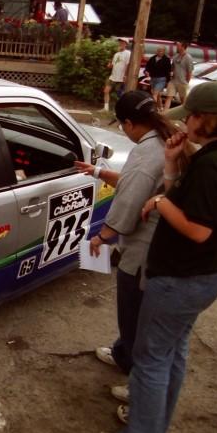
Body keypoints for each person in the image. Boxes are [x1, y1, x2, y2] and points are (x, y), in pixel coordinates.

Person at [99, 81, 217, 433]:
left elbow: (198, 230)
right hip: (200, 277)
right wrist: (171, 166)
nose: (184, 123)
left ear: (205, 120)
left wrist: (162, 202)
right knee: (172, 353)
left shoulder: (215, 165)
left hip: (182, 278)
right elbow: (184, 197)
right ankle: (153, 425)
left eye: (191, 116)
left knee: (151, 358)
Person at [75, 91, 175, 379]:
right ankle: (123, 353)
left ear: (130, 123)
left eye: (121, 125)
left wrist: (102, 236)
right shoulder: (163, 140)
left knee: (133, 313)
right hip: (157, 247)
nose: (123, 131)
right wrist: (98, 172)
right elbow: (138, 183)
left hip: (143, 251)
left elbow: (131, 198)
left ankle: (134, 370)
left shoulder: (147, 151)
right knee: (139, 314)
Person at [164, 41, 194, 111]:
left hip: (182, 82)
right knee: (169, 97)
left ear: (183, 47)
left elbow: (189, 71)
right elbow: (172, 67)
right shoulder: (175, 56)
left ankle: (185, 115)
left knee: (183, 100)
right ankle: (164, 113)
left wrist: (187, 81)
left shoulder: (188, 58)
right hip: (173, 81)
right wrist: (171, 73)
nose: (176, 47)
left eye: (178, 46)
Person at [103, 37, 130, 112]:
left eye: (123, 42)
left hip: (121, 77)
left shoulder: (128, 53)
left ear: (126, 44)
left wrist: (125, 75)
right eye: (120, 42)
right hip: (113, 76)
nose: (121, 43)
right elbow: (112, 65)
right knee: (106, 91)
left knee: (120, 95)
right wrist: (109, 65)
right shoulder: (116, 54)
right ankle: (105, 108)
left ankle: (120, 110)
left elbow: (128, 65)